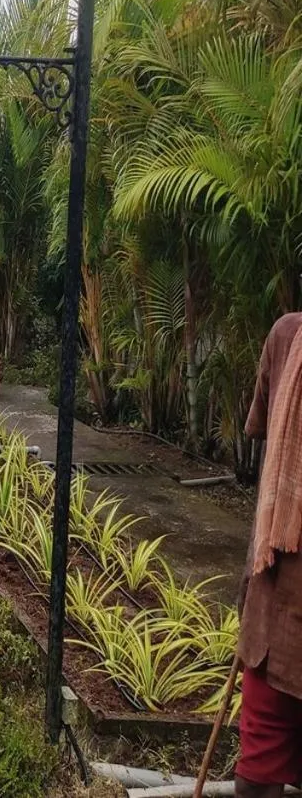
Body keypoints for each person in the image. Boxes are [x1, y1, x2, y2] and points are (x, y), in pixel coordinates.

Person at [237, 310, 302, 798]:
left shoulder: (288, 335)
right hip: (276, 615)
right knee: (257, 771)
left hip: (276, 613)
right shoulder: (286, 336)